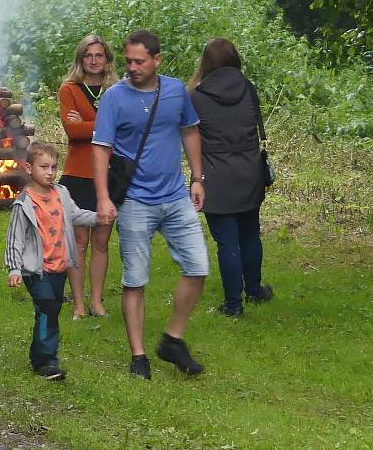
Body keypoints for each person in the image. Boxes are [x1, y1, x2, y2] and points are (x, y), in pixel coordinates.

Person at [91, 30, 209, 380]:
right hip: (135, 202)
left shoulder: (175, 91)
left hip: (175, 196)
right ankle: (139, 355)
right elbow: (101, 149)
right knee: (135, 279)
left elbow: (190, 131)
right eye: (128, 61)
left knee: (198, 266)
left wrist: (197, 178)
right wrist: (102, 197)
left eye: (139, 61)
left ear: (157, 59)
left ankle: (172, 339)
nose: (132, 67)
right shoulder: (114, 98)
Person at [188, 38, 274, 318]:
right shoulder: (249, 89)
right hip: (249, 170)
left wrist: (196, 177)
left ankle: (233, 304)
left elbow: (191, 138)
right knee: (250, 234)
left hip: (215, 173)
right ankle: (254, 289)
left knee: (227, 242)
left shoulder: (197, 97)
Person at [5, 142, 101, 381]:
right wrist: (14, 268)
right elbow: (14, 238)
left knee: (51, 309)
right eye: (43, 167)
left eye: (53, 167)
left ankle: (40, 354)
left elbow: (76, 214)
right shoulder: (24, 203)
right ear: (29, 168)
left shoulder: (61, 193)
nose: (49, 172)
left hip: (59, 265)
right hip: (35, 269)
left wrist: (99, 218)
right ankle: (46, 362)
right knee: (47, 305)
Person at [58, 34, 118, 319]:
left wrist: (88, 125)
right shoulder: (69, 89)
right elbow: (74, 132)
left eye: (99, 55)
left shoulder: (118, 90)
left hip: (109, 174)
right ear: (80, 59)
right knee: (79, 241)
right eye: (88, 56)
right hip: (78, 173)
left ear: (107, 59)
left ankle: (96, 301)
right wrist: (106, 127)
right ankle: (78, 304)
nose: (94, 61)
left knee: (102, 241)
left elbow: (125, 130)